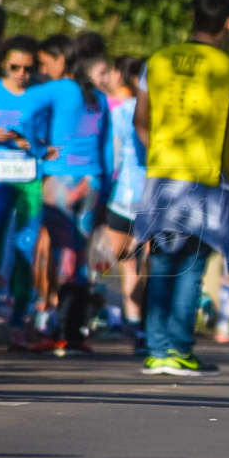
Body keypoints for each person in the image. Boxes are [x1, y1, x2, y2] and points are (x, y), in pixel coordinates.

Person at [133, 0, 229, 376]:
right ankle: (179, 348)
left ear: (193, 15)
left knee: (161, 261)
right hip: (206, 176)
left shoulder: (158, 60)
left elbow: (140, 120)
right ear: (228, 22)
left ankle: (156, 348)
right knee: (193, 265)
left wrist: (159, 153)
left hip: (161, 174)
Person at [33, 49, 114, 354]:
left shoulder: (58, 90)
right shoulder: (97, 99)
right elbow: (107, 152)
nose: (108, 78)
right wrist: (106, 190)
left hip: (59, 182)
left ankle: (63, 330)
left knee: (64, 256)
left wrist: (38, 147)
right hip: (91, 182)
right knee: (79, 257)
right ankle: (74, 333)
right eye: (103, 72)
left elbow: (24, 110)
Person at [0, 36, 46, 347]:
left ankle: (19, 320)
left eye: (27, 68)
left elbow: (53, 139)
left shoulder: (42, 94)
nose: (21, 73)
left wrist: (34, 143)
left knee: (25, 247)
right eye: (15, 66)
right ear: (4, 63)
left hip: (29, 179)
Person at [104, 56, 148, 354]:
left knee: (145, 263)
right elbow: (113, 154)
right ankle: (128, 320)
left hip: (150, 199)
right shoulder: (120, 113)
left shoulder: (164, 115)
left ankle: (140, 326)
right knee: (121, 258)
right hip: (121, 197)